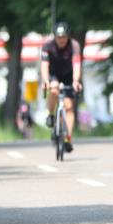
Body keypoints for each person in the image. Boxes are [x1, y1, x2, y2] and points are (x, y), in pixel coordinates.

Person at [40, 21, 82, 153]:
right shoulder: (47, 46)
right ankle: (51, 114)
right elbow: (44, 66)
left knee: (69, 106)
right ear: (54, 37)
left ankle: (68, 138)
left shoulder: (74, 46)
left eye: (64, 37)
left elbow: (76, 65)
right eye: (59, 37)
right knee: (53, 88)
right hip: (53, 74)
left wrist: (76, 81)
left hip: (69, 75)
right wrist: (46, 80)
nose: (61, 40)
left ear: (68, 36)